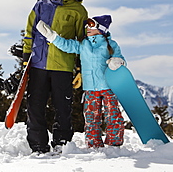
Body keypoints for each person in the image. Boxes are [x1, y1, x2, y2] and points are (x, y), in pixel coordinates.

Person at [23, 0, 88, 153]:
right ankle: (38, 146)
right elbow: (30, 31)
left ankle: (62, 144)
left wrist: (80, 68)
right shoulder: (41, 5)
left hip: (63, 67)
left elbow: (82, 41)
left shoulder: (78, 11)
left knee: (62, 108)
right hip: (38, 64)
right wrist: (27, 55)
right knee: (35, 107)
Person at [36, 14, 126, 148]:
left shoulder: (111, 45)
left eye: (91, 25)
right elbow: (67, 45)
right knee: (91, 117)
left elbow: (120, 59)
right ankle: (93, 144)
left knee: (112, 114)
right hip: (90, 88)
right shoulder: (84, 44)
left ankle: (114, 143)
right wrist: (52, 36)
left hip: (108, 87)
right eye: (87, 25)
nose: (87, 28)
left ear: (101, 29)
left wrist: (117, 62)